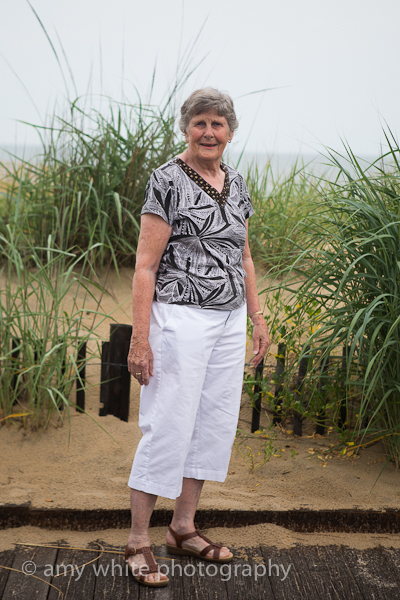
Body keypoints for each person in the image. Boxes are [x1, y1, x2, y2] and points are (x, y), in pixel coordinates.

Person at [125, 87, 271, 587]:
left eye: (218, 124)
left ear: (230, 131)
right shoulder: (166, 180)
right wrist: (140, 339)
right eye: (200, 123)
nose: (209, 132)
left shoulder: (237, 181)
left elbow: (243, 255)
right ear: (187, 128)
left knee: (213, 424)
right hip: (180, 319)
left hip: (229, 320)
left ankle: (182, 528)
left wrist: (257, 317)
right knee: (168, 423)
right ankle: (138, 541)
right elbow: (145, 266)